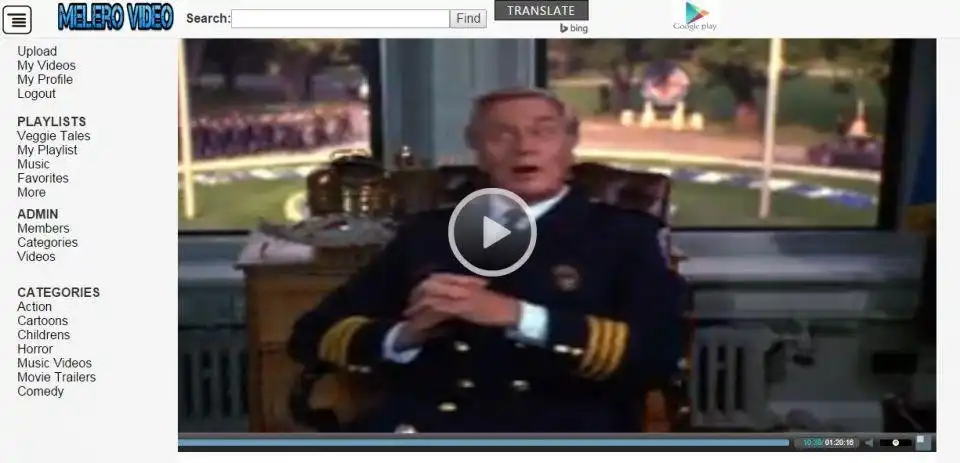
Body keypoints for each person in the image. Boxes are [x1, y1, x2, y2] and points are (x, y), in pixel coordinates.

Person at [288, 87, 687, 433]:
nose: (524, 147)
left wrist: (519, 317)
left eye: (543, 131)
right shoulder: (428, 234)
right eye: (501, 134)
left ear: (569, 144)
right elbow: (311, 334)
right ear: (478, 151)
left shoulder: (625, 236)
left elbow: (657, 354)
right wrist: (405, 336)